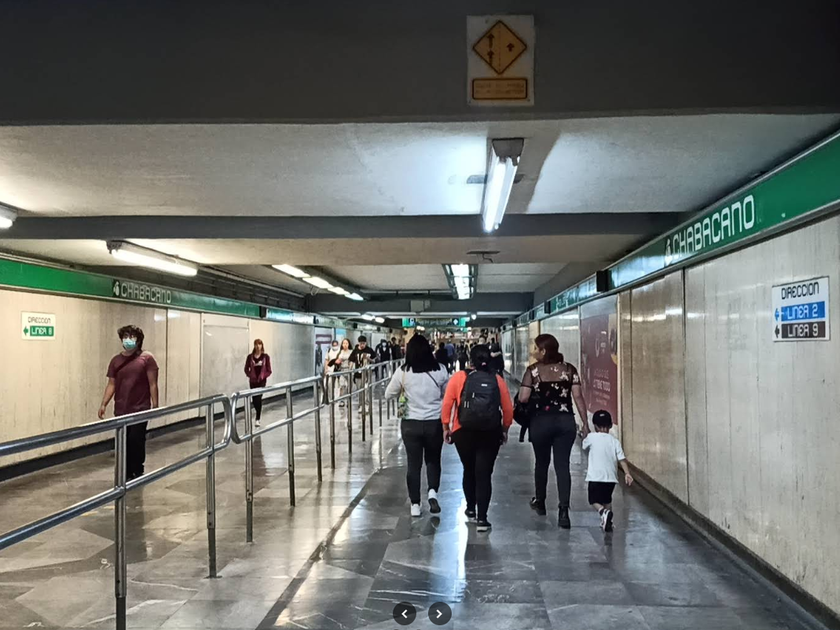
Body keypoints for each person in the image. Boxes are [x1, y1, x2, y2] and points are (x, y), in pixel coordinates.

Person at [519, 333, 588, 529]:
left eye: (536, 348)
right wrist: (585, 423)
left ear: (543, 351)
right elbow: (578, 397)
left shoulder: (533, 371)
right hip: (565, 423)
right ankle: (564, 511)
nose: (533, 351)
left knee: (541, 463)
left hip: (541, 422)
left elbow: (523, 397)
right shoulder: (569, 369)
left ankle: (540, 502)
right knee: (562, 466)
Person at [442, 344, 513, 532]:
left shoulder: (459, 377)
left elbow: (447, 404)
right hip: (490, 432)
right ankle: (482, 519)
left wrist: (446, 427)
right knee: (484, 474)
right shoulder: (497, 379)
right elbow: (507, 409)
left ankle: (471, 509)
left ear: (470, 359)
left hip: (463, 431)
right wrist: (504, 429)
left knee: (469, 469)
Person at [385, 334, 449, 517]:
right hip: (434, 422)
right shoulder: (440, 369)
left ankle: (415, 504)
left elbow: (388, 394)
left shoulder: (403, 371)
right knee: (433, 459)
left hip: (410, 423)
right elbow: (447, 395)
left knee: (414, 464)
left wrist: (404, 391)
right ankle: (432, 492)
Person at [99, 325, 159, 480]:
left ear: (138, 340)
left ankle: (137, 468)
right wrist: (104, 403)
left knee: (136, 439)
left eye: (132, 337)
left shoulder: (147, 359)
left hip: (140, 408)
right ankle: (125, 470)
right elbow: (111, 384)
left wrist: (155, 405)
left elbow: (153, 383)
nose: (128, 340)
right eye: (125, 336)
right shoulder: (116, 361)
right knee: (123, 440)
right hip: (121, 408)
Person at [582, 410, 633, 532]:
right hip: (611, 478)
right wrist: (627, 473)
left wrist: (585, 433)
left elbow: (584, 445)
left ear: (595, 426)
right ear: (610, 426)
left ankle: (603, 512)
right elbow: (622, 459)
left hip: (595, 477)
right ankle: (608, 522)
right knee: (607, 500)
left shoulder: (591, 437)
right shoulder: (615, 441)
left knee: (593, 500)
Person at [243, 339, 272, 427]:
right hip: (253, 381)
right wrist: (250, 375)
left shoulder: (265, 357)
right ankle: (257, 413)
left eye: (259, 344)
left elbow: (269, 370)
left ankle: (257, 418)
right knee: (254, 399)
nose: (258, 346)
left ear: (262, 345)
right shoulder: (250, 357)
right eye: (256, 344)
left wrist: (263, 376)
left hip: (261, 381)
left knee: (258, 398)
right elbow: (246, 369)